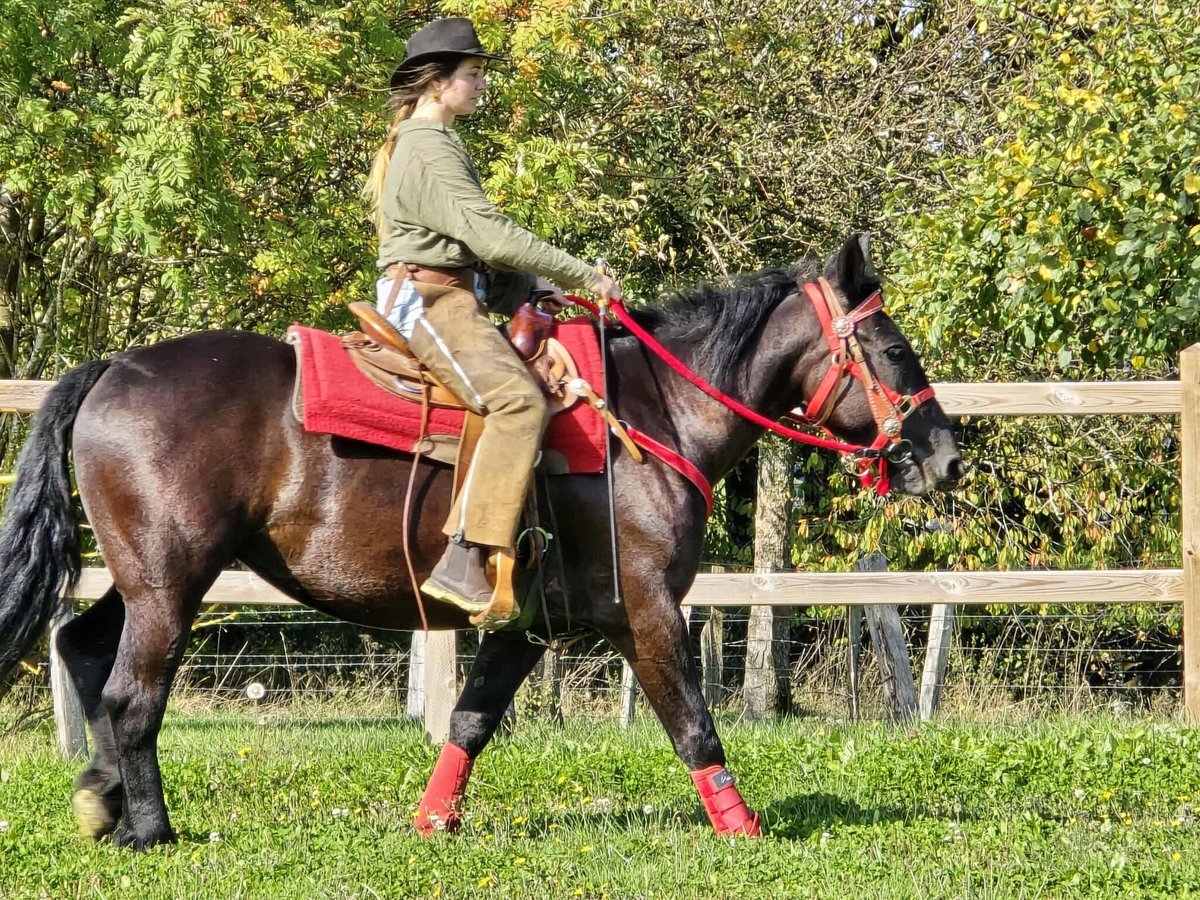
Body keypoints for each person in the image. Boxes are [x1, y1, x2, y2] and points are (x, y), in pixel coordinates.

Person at [362, 17, 620, 614]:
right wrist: (582, 274)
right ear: (435, 82)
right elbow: (486, 233)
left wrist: (527, 287)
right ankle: (464, 555)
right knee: (518, 402)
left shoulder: (434, 140)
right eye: (473, 74)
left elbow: (463, 248)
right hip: (425, 303)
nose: (481, 85)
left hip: (450, 294)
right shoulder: (427, 145)